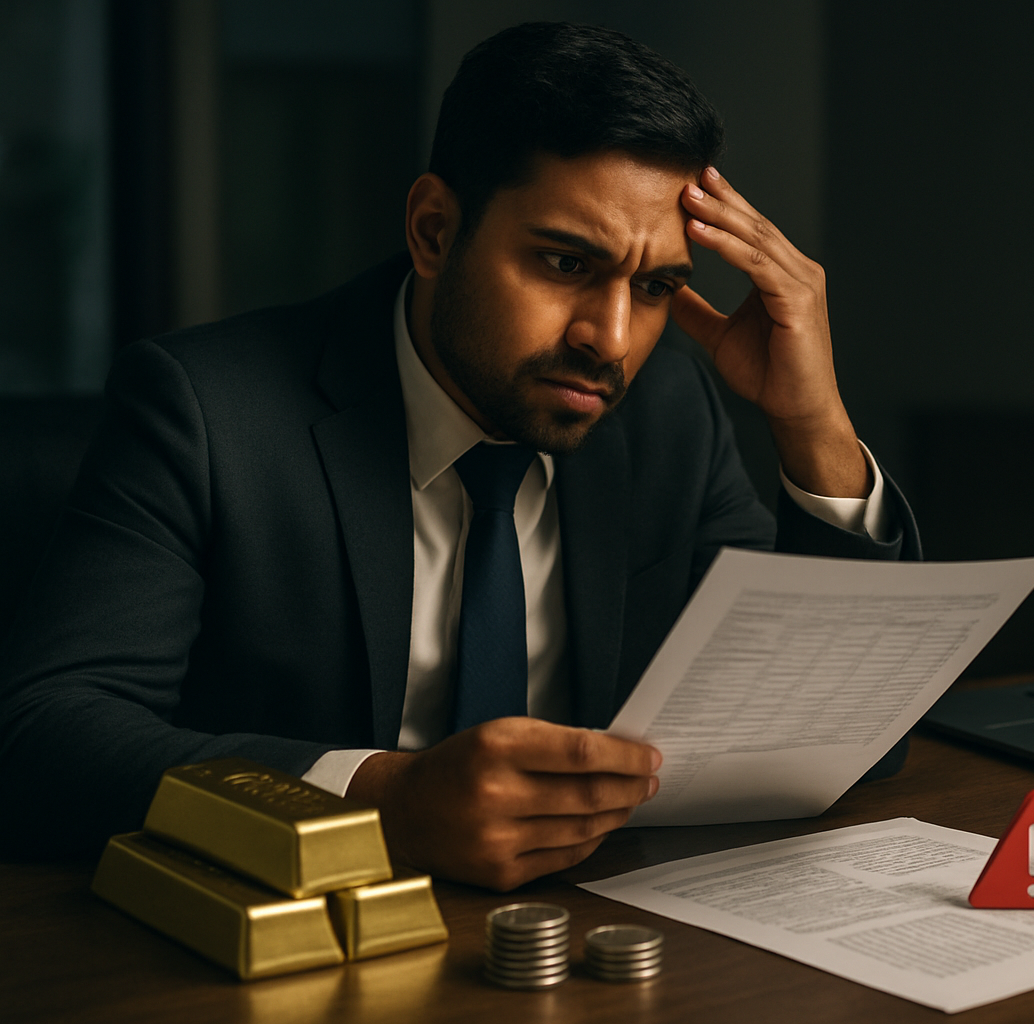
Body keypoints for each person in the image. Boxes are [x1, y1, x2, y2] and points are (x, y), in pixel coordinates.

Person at [0, 22, 917, 890]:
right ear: (435, 230)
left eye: (655, 286)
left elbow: (845, 737)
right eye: (565, 264)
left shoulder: (665, 405)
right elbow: (41, 741)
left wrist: (815, 426)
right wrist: (381, 803)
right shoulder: (203, 411)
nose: (611, 337)